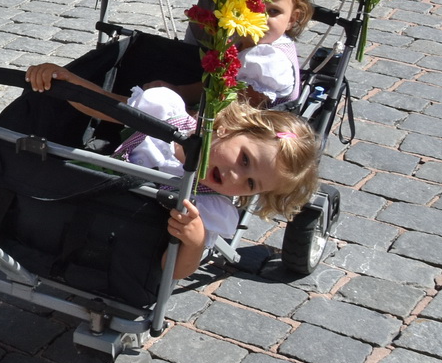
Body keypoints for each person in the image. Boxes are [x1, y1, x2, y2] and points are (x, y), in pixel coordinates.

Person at [21, 68, 320, 280]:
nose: (235, 177)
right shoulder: (166, 112)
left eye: (251, 184)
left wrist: (193, 241)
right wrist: (66, 81)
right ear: (231, 128)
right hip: (78, 204)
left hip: (120, 252)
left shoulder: (210, 208)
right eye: (244, 160)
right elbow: (104, 107)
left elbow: (174, 272)